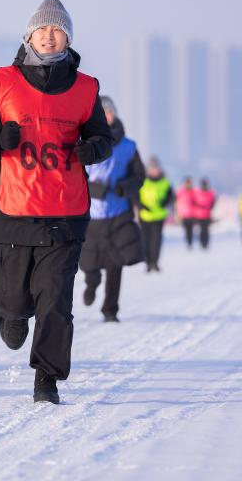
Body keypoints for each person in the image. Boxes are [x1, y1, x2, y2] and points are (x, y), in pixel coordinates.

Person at [0, 0, 113, 404]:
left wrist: (92, 149)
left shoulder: (86, 87)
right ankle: (9, 315)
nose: (49, 35)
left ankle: (47, 377)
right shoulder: (2, 80)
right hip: (12, 209)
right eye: (42, 28)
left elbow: (103, 137)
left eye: (57, 29)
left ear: (68, 38)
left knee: (55, 300)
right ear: (29, 36)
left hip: (64, 210)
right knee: (13, 301)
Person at [79, 96, 144, 322]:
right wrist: (93, 188)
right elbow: (70, 175)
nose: (107, 116)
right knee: (89, 262)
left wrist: (124, 188)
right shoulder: (83, 142)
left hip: (118, 214)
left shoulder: (129, 146)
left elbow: (139, 177)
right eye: (102, 111)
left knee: (115, 264)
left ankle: (110, 310)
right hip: (90, 214)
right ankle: (91, 282)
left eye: (110, 111)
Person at [138, 156, 174, 272]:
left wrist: (165, 203)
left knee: (156, 241)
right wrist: (142, 206)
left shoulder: (165, 182)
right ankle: (148, 263)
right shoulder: (142, 180)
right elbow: (136, 196)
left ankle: (155, 262)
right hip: (145, 215)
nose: (154, 171)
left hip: (159, 216)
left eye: (156, 168)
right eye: (152, 168)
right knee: (145, 240)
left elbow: (171, 196)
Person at [191, 178, 216, 250]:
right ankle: (202, 243)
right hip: (199, 215)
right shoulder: (197, 193)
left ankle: (206, 243)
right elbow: (194, 202)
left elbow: (213, 202)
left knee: (206, 230)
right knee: (202, 230)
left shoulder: (210, 193)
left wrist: (208, 208)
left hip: (207, 214)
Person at [177, 176, 197, 249]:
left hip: (192, 214)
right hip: (184, 215)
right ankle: (188, 243)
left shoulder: (194, 192)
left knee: (191, 230)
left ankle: (190, 243)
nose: (188, 184)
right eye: (187, 183)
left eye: (189, 183)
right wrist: (178, 213)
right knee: (186, 230)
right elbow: (178, 203)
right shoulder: (181, 192)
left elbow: (196, 202)